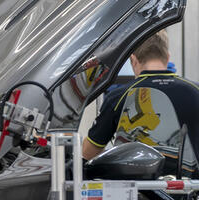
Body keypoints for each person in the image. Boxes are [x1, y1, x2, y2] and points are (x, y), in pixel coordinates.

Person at [82, 31, 199, 172]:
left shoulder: (119, 96)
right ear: (167, 58)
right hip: (189, 189)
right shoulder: (195, 90)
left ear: (133, 60)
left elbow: (88, 153)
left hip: (138, 191)